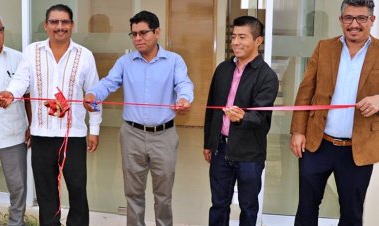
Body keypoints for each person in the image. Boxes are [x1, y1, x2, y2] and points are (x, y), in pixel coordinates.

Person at [83, 10, 193, 226]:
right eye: (133, 34)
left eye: (143, 33)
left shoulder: (174, 61)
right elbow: (108, 83)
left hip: (164, 136)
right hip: (131, 135)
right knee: (133, 194)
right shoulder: (125, 62)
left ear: (157, 32)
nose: (138, 38)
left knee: (163, 197)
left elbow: (184, 84)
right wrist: (93, 94)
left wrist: (184, 99)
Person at [0, 4, 102, 226]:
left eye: (64, 22)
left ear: (72, 25)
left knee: (77, 190)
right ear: (46, 26)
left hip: (73, 136)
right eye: (54, 22)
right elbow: (20, 81)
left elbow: (95, 94)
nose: (59, 27)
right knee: (46, 194)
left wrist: (94, 130)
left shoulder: (85, 56)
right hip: (41, 135)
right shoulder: (32, 51)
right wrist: (10, 93)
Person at [290, 0, 379, 225]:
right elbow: (305, 92)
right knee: (306, 208)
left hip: (357, 151)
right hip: (318, 144)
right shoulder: (324, 47)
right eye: (348, 18)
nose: (354, 24)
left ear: (372, 20)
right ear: (341, 20)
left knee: (351, 214)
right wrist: (298, 131)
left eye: (361, 18)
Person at [203, 16, 279, 226]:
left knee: (248, 207)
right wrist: (209, 142)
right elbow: (211, 109)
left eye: (242, 37)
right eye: (233, 36)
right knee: (218, 204)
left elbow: (261, 118)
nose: (235, 42)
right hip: (221, 149)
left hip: (249, 154)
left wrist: (243, 117)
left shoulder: (267, 76)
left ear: (258, 41)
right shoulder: (223, 69)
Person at [0, 16, 31, 226]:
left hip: (13, 133)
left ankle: (15, 223)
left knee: (17, 187)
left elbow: (28, 96)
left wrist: (31, 125)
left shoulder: (19, 58)